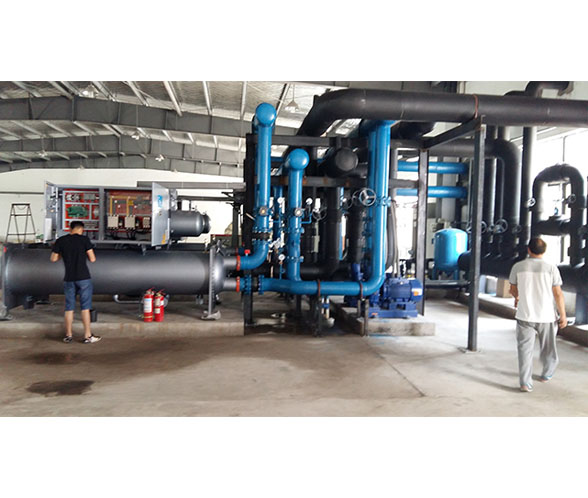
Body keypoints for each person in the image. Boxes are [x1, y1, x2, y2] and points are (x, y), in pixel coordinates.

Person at [509, 238, 566, 392]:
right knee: (548, 348)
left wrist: (518, 298)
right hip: (546, 316)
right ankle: (547, 373)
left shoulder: (518, 267)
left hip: (524, 315)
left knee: (524, 350)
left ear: (529, 250)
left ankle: (525, 383)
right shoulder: (551, 268)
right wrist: (563, 315)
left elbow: (513, 289)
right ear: (544, 251)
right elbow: (558, 294)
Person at [50, 221, 101, 344]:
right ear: (81, 229)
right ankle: (87, 336)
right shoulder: (84, 240)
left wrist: (63, 254)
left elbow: (53, 258)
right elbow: (92, 259)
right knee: (85, 308)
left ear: (70, 228)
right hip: (83, 278)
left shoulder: (61, 240)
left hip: (69, 278)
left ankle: (68, 335)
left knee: (69, 308)